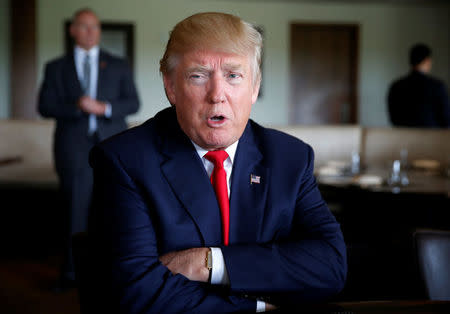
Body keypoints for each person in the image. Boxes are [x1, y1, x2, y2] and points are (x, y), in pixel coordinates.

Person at [89, 12, 346, 312]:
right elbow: (137, 293)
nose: (217, 95)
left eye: (233, 75)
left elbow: (331, 266)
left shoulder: (290, 158)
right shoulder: (124, 161)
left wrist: (209, 262)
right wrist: (256, 307)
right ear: (171, 86)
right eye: (198, 75)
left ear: (254, 86)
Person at [38, 8, 140, 290]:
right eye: (84, 27)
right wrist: (77, 106)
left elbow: (133, 103)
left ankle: (113, 275)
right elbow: (44, 107)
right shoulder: (56, 67)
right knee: (74, 211)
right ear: (73, 30)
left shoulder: (118, 64)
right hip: (72, 147)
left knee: (117, 210)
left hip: (113, 147)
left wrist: (103, 107)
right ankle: (71, 274)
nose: (91, 32)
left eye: (95, 27)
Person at [387, 43, 450, 128]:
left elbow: (393, 118)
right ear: (427, 61)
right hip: (433, 138)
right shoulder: (437, 86)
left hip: (404, 137)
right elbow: (446, 119)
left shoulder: (396, 86)